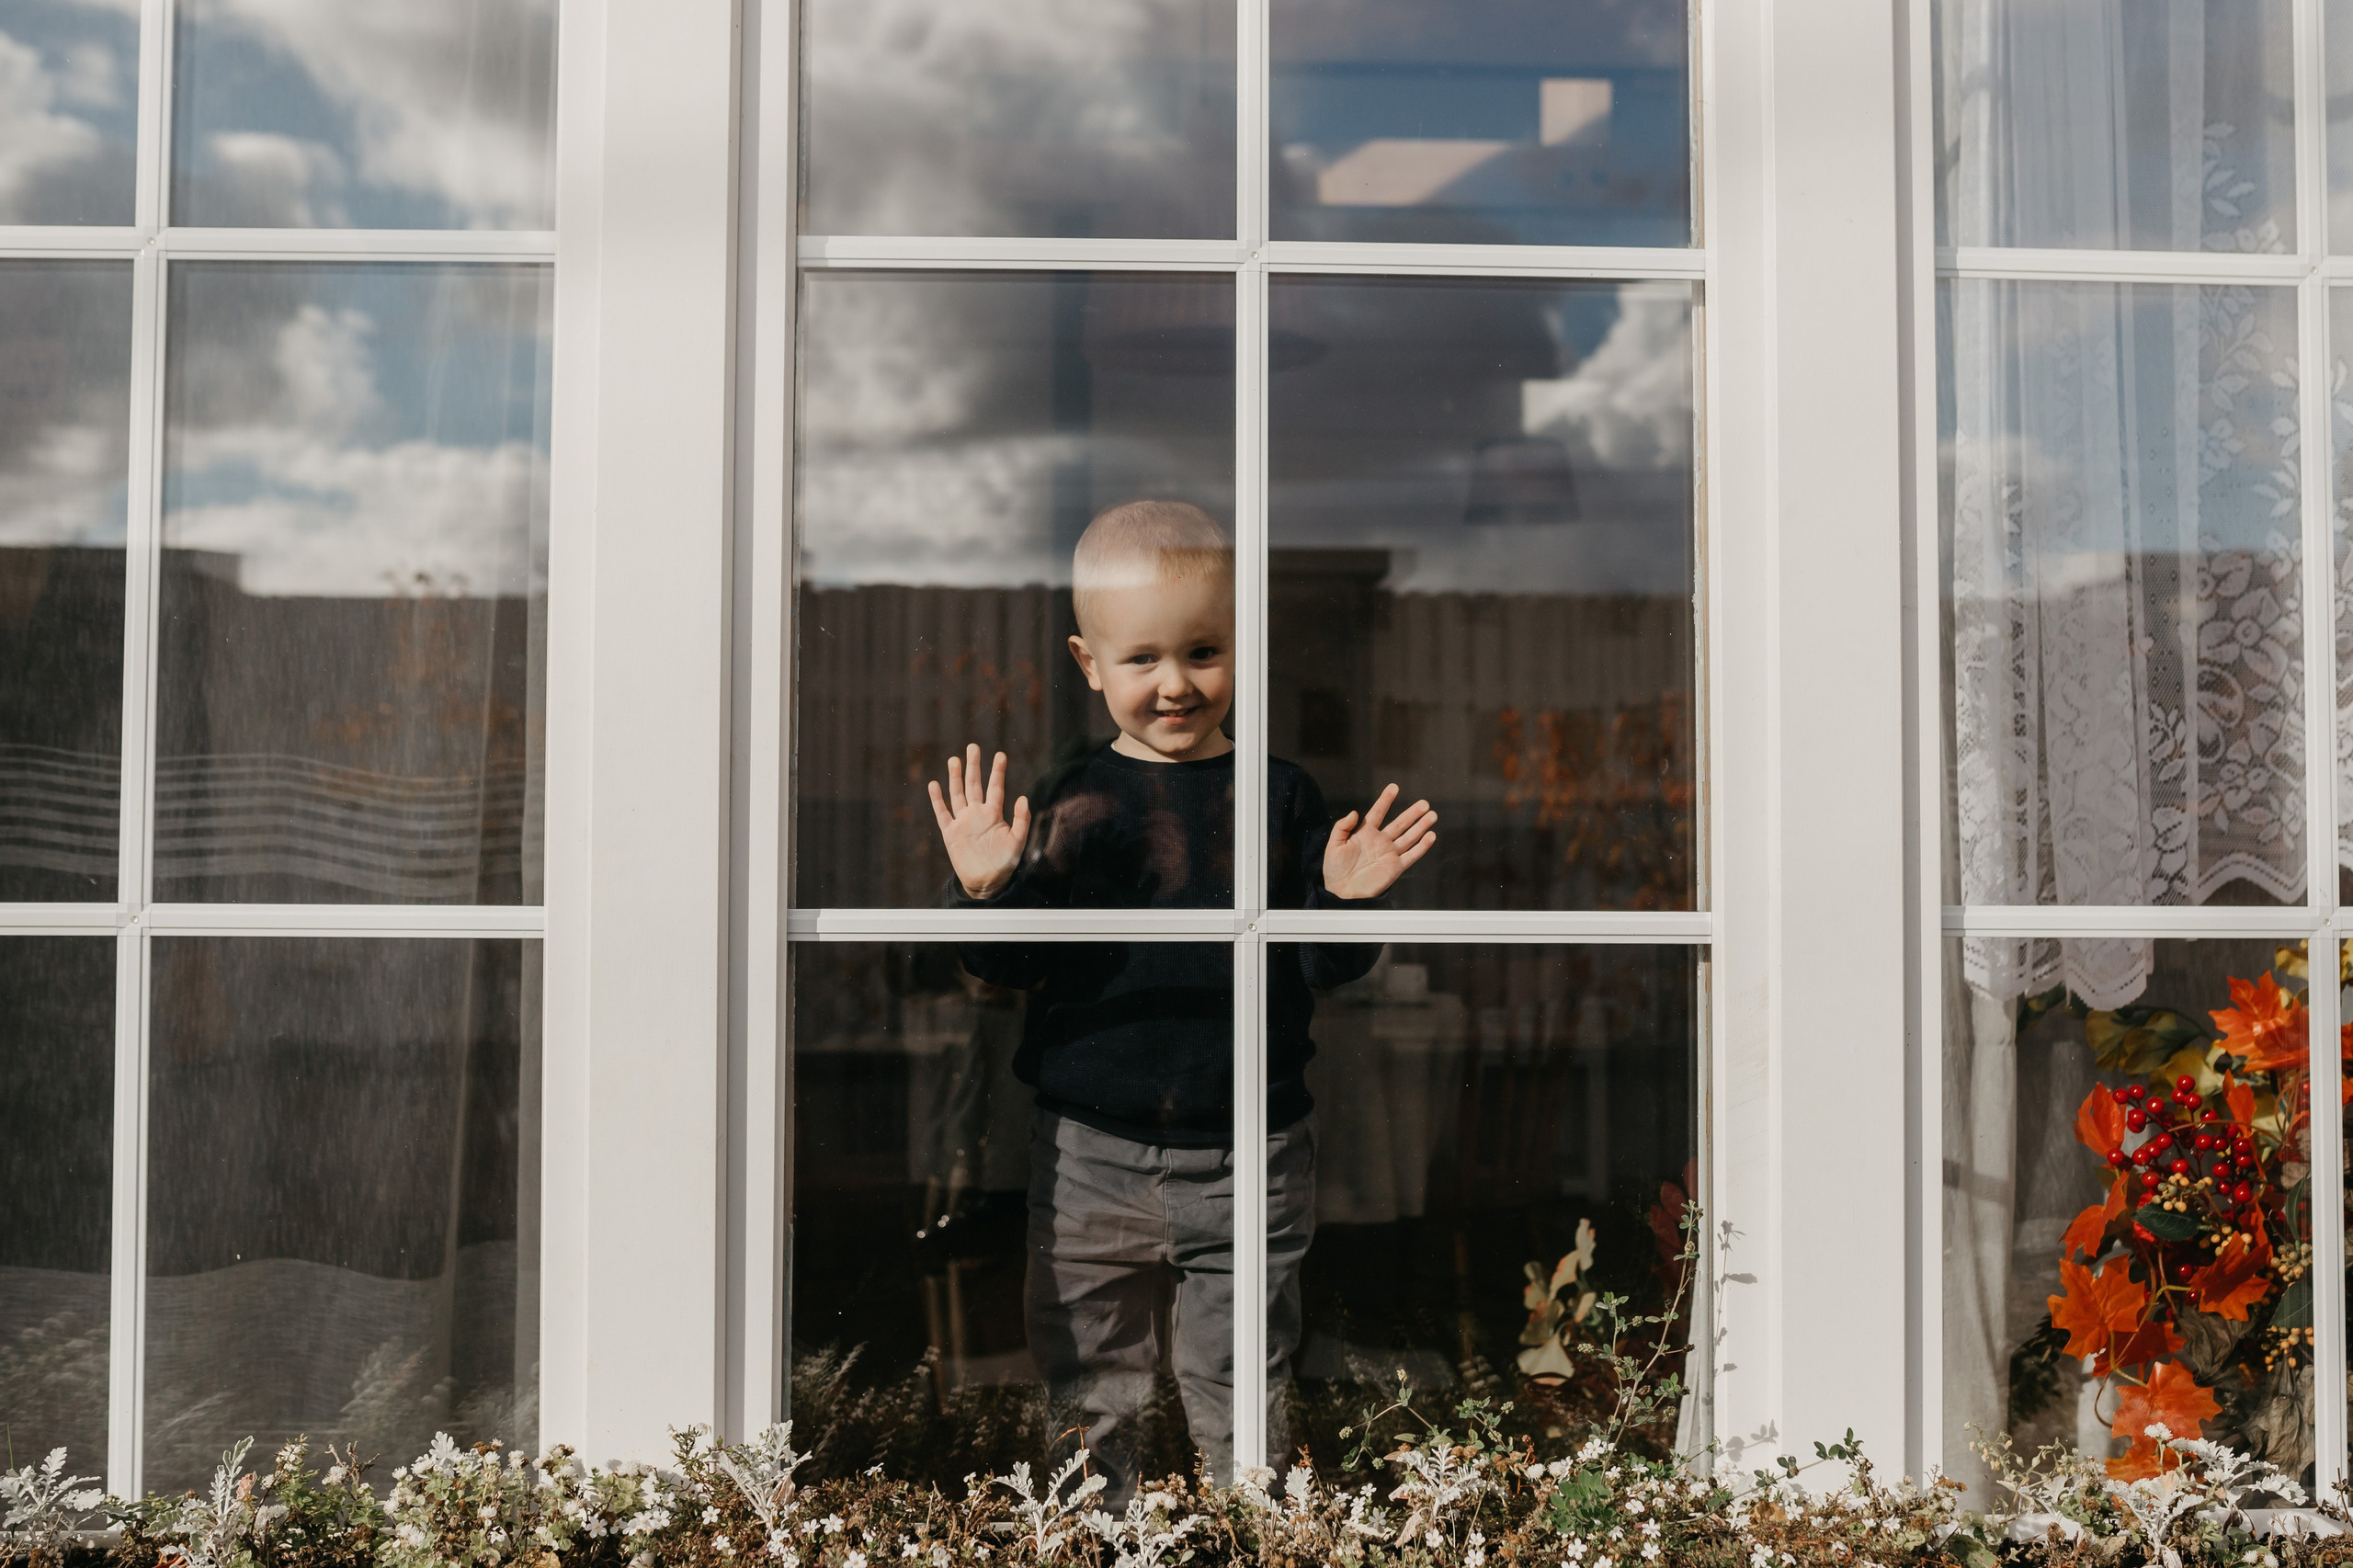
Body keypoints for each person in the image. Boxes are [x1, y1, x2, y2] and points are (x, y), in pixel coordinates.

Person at [924, 498, 1437, 1499]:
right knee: (1088, 1375)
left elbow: (1324, 972)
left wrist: (1338, 903)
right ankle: (1094, 1531)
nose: (1174, 684)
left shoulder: (1280, 795)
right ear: (1087, 662)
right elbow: (1004, 965)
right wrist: (986, 887)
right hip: (1088, 1148)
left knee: (1241, 1372)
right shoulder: (1071, 797)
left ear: (1240, 645)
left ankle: (1250, 1524)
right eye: (1141, 658)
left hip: (1251, 1143)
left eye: (1203, 651)